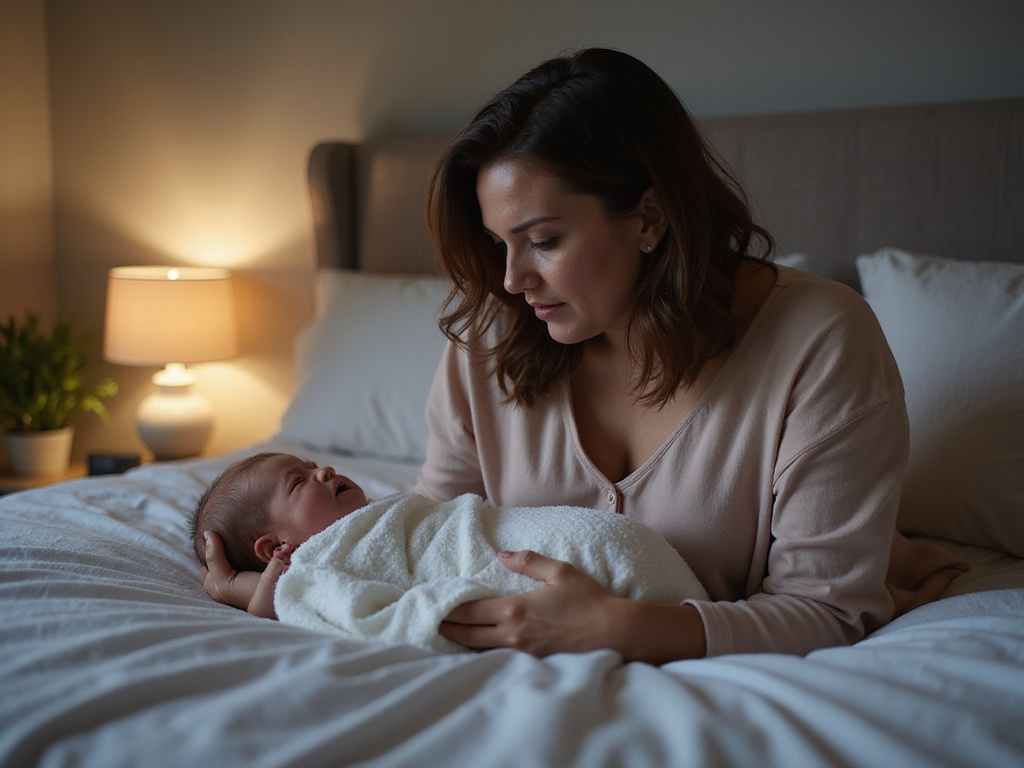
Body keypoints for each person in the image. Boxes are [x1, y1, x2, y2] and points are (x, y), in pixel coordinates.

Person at [203, 47, 964, 663]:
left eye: (542, 241)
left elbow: (827, 610)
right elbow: (427, 540)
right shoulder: (489, 343)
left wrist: (620, 629)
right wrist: (268, 591)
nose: (509, 279)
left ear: (649, 218)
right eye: (500, 244)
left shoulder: (820, 342)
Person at [192, 451, 706, 652]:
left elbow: (446, 526)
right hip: (604, 558)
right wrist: (234, 587)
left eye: (315, 463)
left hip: (561, 540)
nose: (324, 471)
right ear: (277, 547)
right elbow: (291, 603)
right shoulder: (315, 561)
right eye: (299, 481)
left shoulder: (388, 518)